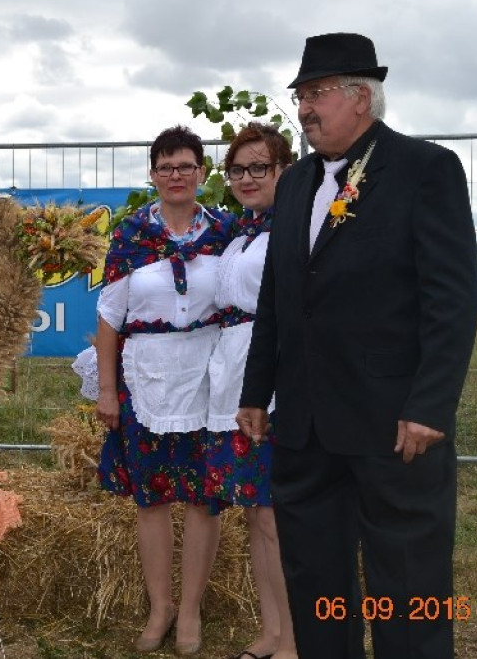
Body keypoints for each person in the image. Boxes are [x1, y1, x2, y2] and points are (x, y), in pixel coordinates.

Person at [236, 33, 477, 659]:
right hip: (306, 423)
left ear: (361, 99)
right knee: (316, 576)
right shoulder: (294, 186)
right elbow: (277, 297)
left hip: (393, 423)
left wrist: (430, 406)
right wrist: (256, 390)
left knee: (407, 580)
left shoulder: (425, 170)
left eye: (315, 94)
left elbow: (452, 301)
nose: (304, 109)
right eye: (300, 96)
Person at [94, 125, 234, 655]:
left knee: (203, 500)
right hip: (146, 382)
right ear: (152, 174)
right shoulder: (131, 234)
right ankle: (161, 607)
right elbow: (109, 316)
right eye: (166, 166)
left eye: (186, 166)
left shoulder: (226, 231)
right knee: (151, 500)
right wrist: (107, 390)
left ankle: (192, 609)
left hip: (207, 377)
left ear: (202, 172)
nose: (176, 175)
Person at [206, 123, 297, 659]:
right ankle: (271, 630)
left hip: (273, 377)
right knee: (253, 513)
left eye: (259, 167)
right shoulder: (243, 233)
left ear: (283, 170)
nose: (246, 178)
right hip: (233, 373)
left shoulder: (294, 229)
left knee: (275, 515)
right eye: (237, 169)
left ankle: (294, 639)